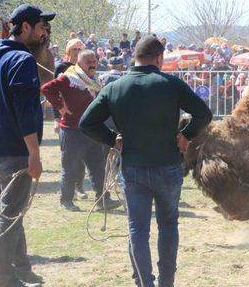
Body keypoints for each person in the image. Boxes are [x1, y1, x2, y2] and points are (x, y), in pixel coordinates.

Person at [79, 37, 213, 287]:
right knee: (168, 226)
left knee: (137, 231)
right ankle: (166, 283)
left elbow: (86, 123)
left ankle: (144, 283)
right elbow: (204, 113)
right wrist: (186, 135)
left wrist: (111, 139)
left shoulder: (114, 87)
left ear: (135, 57)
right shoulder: (172, 84)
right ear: (159, 58)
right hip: (168, 167)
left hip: (133, 169)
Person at [0, 4, 53, 286]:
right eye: (41, 27)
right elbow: (25, 111)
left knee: (12, 209)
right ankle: (3, 277)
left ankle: (22, 267)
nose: (44, 33)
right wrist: (35, 155)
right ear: (25, 27)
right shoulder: (22, 60)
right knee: (11, 213)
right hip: (15, 149)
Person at [41, 50, 121, 212]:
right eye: (88, 61)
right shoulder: (69, 77)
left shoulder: (92, 80)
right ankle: (66, 200)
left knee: (98, 167)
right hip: (72, 131)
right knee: (70, 168)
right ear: (79, 63)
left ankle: (102, 200)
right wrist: (60, 106)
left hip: (92, 130)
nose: (93, 64)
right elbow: (47, 88)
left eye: (94, 61)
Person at [53, 38, 89, 200]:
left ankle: (79, 187)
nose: (78, 51)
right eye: (75, 49)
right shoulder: (61, 68)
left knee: (82, 156)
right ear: (68, 52)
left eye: (80, 49)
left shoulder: (87, 68)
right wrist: (56, 117)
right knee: (69, 157)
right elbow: (55, 94)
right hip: (67, 119)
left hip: (84, 119)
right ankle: (68, 192)